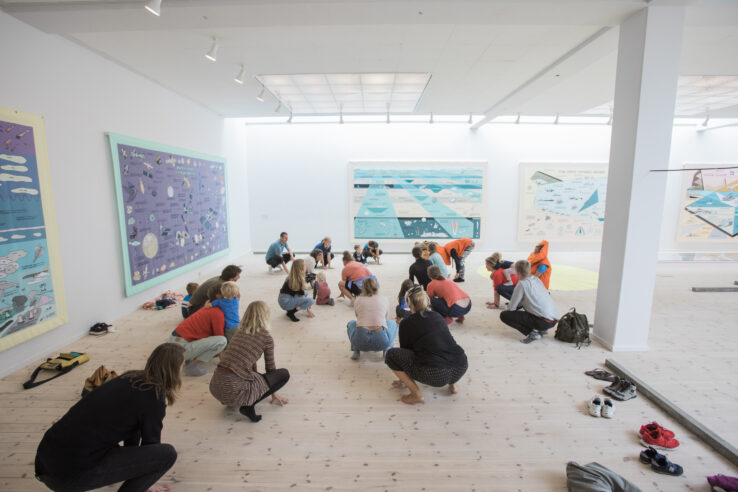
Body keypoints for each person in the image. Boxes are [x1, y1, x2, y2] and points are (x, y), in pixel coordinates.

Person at [34, 343, 183, 492]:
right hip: (69, 476)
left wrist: (139, 471)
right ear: (174, 370)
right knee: (167, 455)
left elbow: (136, 429)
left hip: (45, 461)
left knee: (135, 430)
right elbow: (152, 446)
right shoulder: (154, 398)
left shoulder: (129, 378)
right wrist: (147, 477)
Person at [385, 286, 468, 405]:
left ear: (409, 305)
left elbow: (405, 353)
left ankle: (416, 395)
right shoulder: (438, 316)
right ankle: (453, 385)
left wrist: (402, 379)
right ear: (428, 301)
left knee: (391, 355)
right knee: (446, 346)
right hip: (461, 366)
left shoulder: (406, 323)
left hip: (436, 373)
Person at [209, 301, 290, 423]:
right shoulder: (266, 338)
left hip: (216, 387)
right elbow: (271, 369)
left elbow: (249, 360)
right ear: (265, 316)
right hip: (233, 389)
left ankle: (240, 399)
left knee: (252, 375)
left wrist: (257, 379)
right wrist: (272, 392)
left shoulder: (239, 332)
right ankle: (248, 406)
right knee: (284, 374)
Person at [169, 286, 227, 376]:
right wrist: (225, 362)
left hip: (175, 342)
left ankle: (188, 359)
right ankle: (191, 366)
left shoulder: (207, 307)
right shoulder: (216, 312)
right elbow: (219, 338)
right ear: (219, 296)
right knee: (222, 341)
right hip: (180, 348)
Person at [500, 259, 559, 344]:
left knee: (505, 315)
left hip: (542, 321)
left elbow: (511, 308)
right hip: (553, 320)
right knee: (532, 309)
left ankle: (532, 334)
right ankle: (543, 330)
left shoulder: (522, 284)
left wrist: (512, 308)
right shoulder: (536, 279)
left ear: (518, 272)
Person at [346, 277, 399, 361]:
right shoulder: (384, 299)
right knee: (393, 323)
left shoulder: (358, 299)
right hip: (381, 340)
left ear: (363, 288)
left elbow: (357, 316)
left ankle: (356, 349)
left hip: (361, 340)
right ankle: (387, 349)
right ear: (376, 286)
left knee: (351, 323)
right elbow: (385, 318)